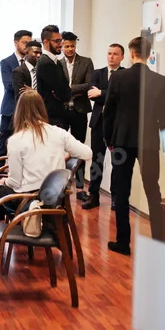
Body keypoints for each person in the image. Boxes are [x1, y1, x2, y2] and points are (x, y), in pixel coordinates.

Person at [103, 36, 165, 255]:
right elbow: (164, 118)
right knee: (153, 190)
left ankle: (123, 242)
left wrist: (108, 140)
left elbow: (108, 112)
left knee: (121, 191)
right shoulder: (160, 80)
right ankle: (159, 241)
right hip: (149, 142)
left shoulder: (118, 77)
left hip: (122, 141)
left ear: (131, 54)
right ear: (149, 55)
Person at [0, 90, 93, 218]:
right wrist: (68, 154)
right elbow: (87, 153)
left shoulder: (16, 140)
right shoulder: (59, 133)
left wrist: (4, 181)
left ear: (19, 112)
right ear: (42, 109)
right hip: (56, 198)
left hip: (29, 199)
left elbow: (15, 182)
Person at [83, 43, 126, 210]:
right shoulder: (97, 73)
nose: (111, 57)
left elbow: (122, 96)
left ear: (122, 57)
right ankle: (93, 195)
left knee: (118, 163)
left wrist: (101, 92)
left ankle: (115, 197)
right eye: (109, 53)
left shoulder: (125, 75)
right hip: (99, 123)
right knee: (97, 160)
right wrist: (109, 95)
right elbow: (91, 94)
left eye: (115, 54)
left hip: (117, 125)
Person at [59, 32, 94, 202]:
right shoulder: (57, 64)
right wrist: (75, 89)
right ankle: (60, 186)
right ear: (62, 47)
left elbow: (89, 84)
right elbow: (56, 87)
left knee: (79, 149)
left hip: (79, 111)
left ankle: (80, 188)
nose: (70, 49)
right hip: (62, 111)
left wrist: (68, 89)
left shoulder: (86, 62)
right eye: (66, 46)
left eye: (72, 46)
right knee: (58, 149)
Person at [0, 30, 33, 157]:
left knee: (25, 147)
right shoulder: (6, 62)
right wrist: (26, 88)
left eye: (29, 43)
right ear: (16, 43)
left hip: (28, 111)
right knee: (3, 145)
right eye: (24, 42)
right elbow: (8, 85)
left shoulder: (33, 62)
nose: (27, 46)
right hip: (10, 110)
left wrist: (31, 89)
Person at [35, 25, 71, 129]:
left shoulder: (56, 62)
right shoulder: (45, 62)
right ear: (46, 42)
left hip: (58, 116)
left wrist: (65, 92)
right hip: (50, 117)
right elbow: (61, 92)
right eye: (57, 41)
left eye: (61, 41)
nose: (61, 44)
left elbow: (66, 89)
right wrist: (65, 92)